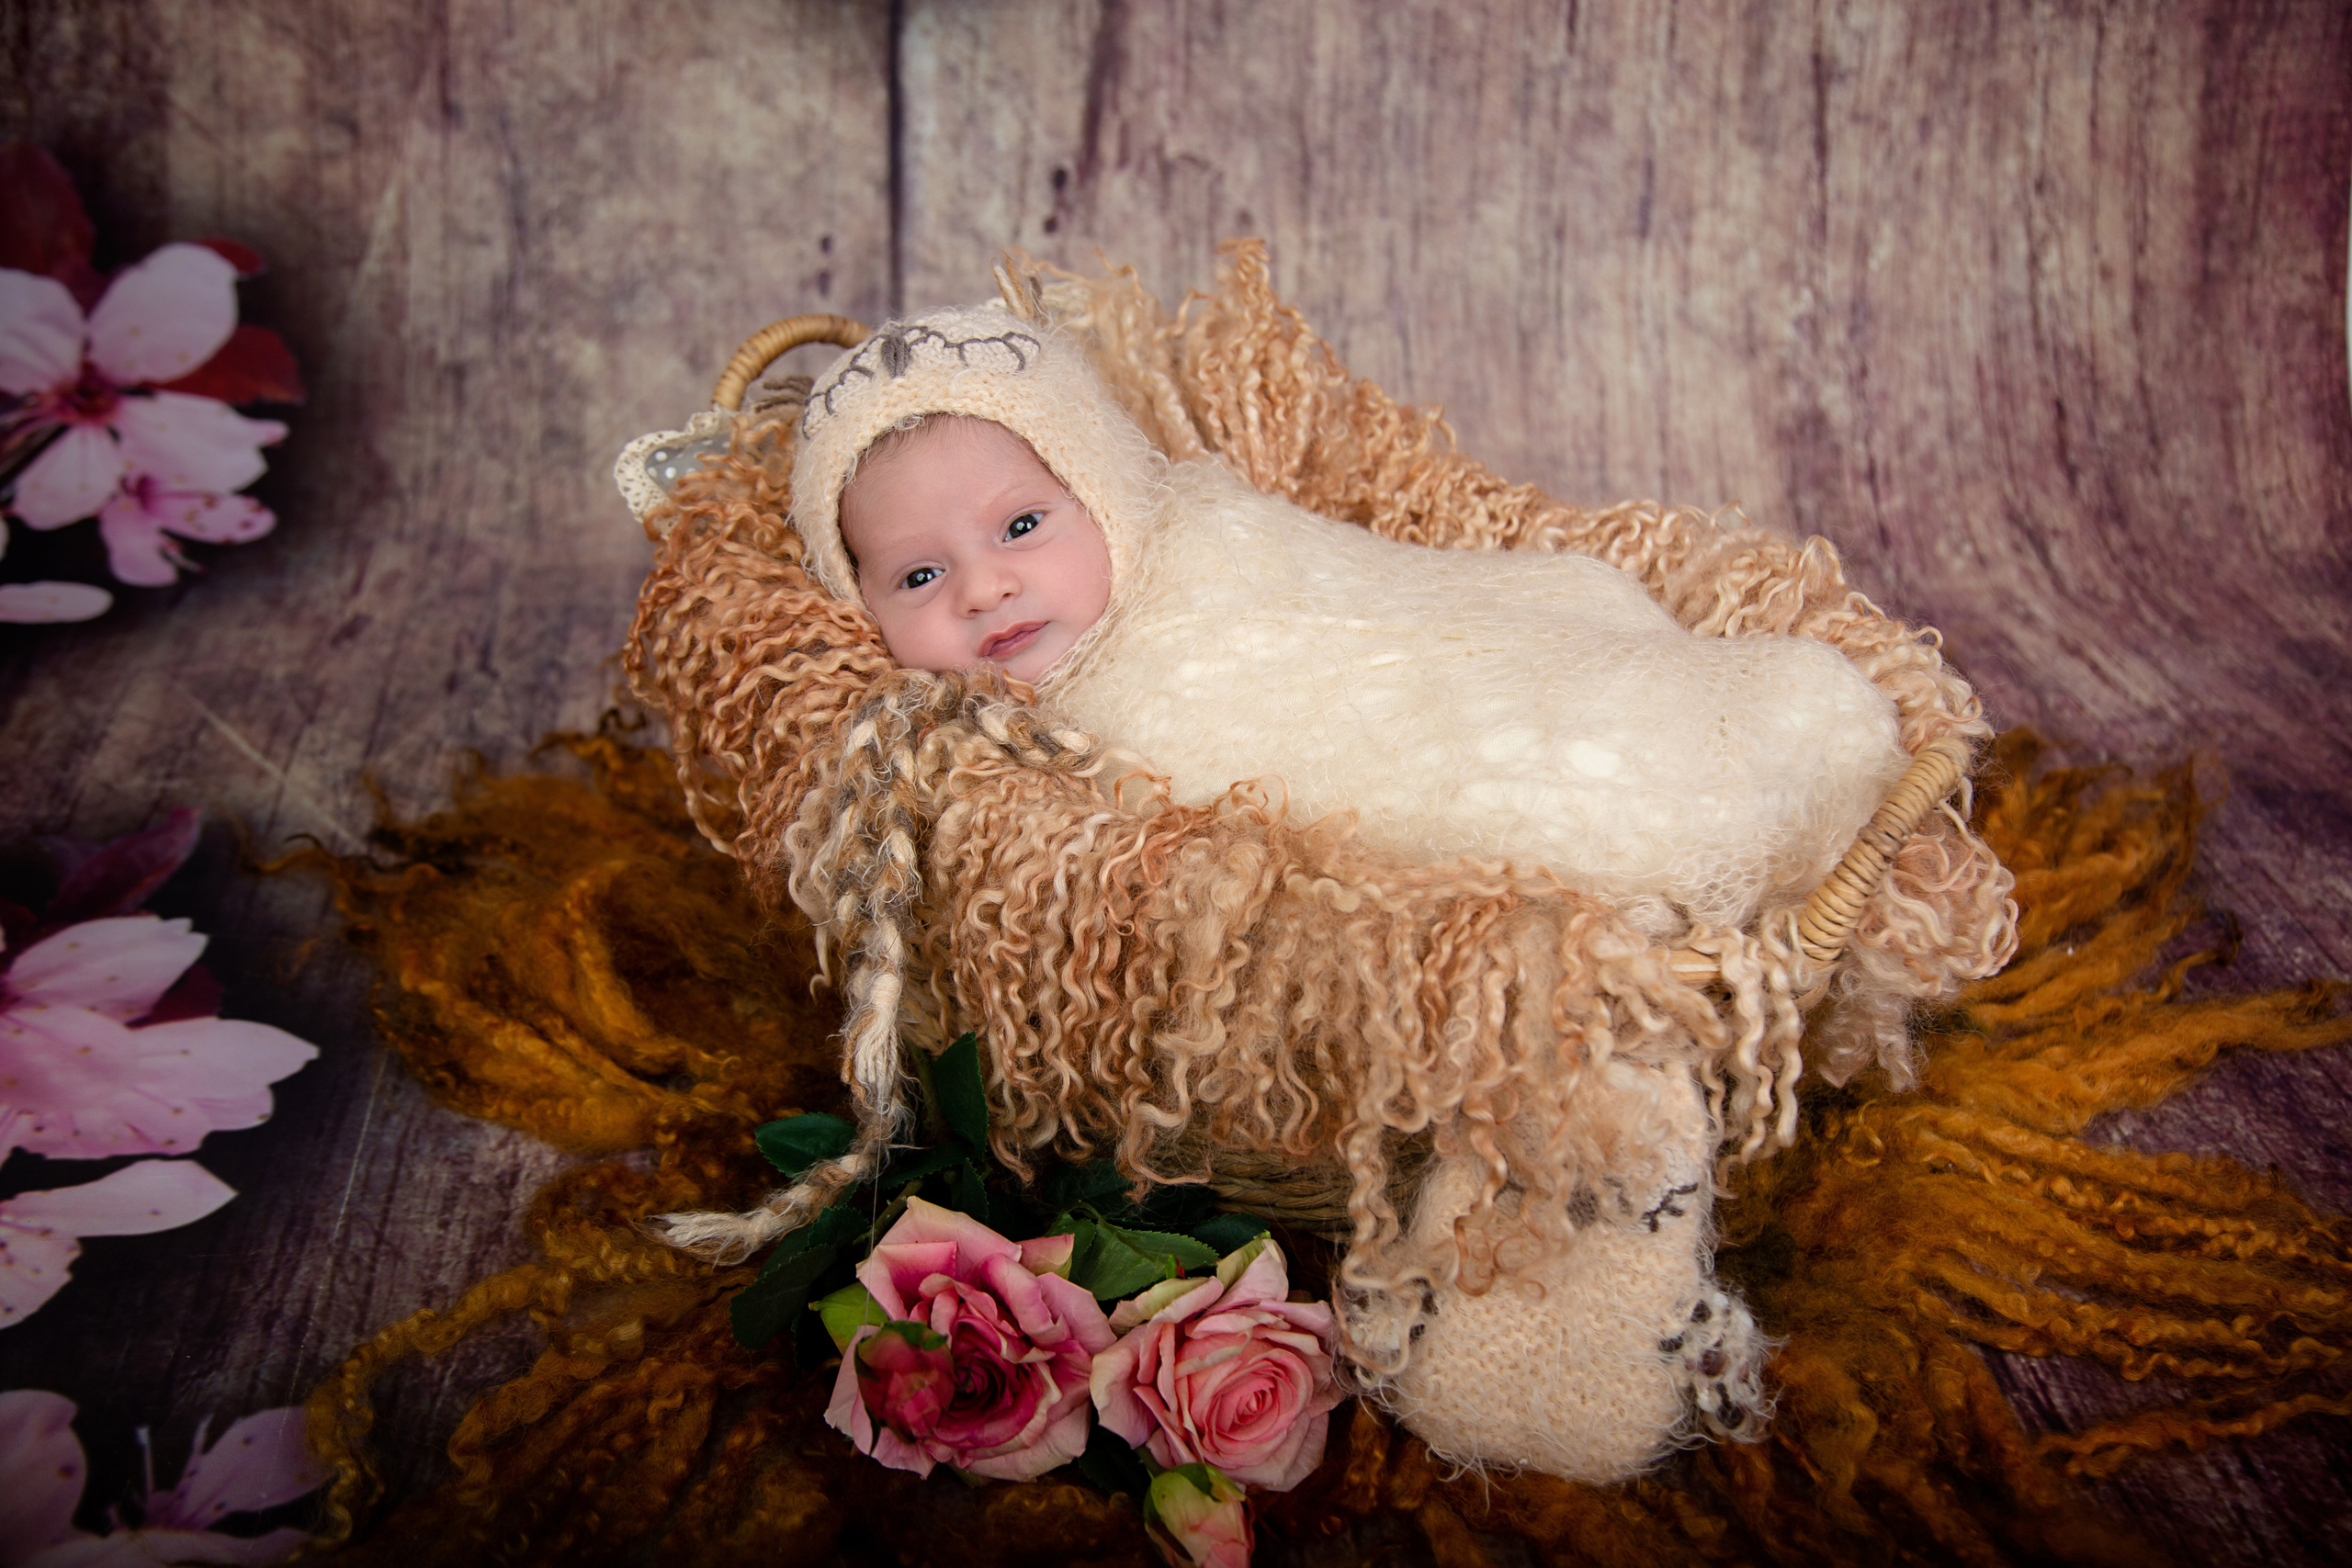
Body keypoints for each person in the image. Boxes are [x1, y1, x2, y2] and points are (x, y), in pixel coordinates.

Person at [797, 302, 1911, 938]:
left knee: (1570, 706)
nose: (983, 589)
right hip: (1415, 772)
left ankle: (1714, 754)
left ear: (1103, 494)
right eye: (918, 576)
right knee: (1494, 843)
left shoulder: (1203, 542)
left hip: (1474, 671)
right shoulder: (1000, 769)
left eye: (1022, 525)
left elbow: (1381, 602)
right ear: (857, 604)